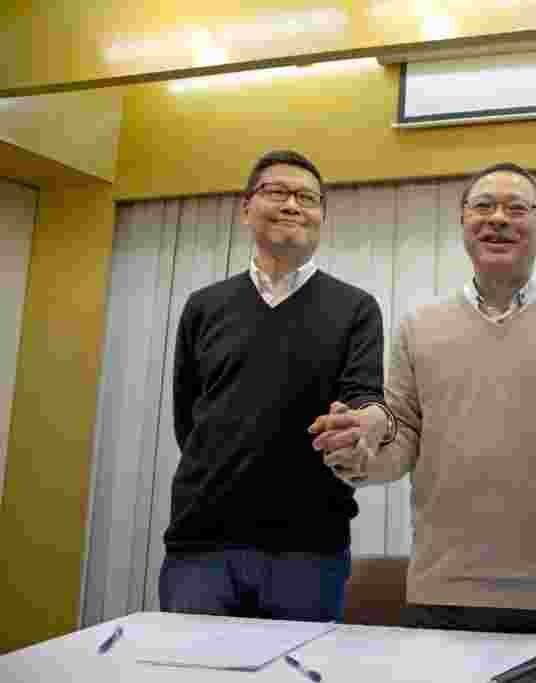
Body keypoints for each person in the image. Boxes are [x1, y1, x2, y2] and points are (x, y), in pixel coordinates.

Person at [309, 163, 536, 635]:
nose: (498, 218)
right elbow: (403, 442)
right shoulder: (418, 327)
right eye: (483, 207)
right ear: (463, 224)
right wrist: (357, 457)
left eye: (516, 208)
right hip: (440, 589)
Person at [162, 150, 386, 622]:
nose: (292, 204)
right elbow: (191, 422)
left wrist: (362, 425)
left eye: (307, 197)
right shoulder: (204, 307)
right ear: (245, 208)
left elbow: (366, 399)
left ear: (321, 216)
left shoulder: (356, 309)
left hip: (309, 549)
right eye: (276, 192)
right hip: (201, 545)